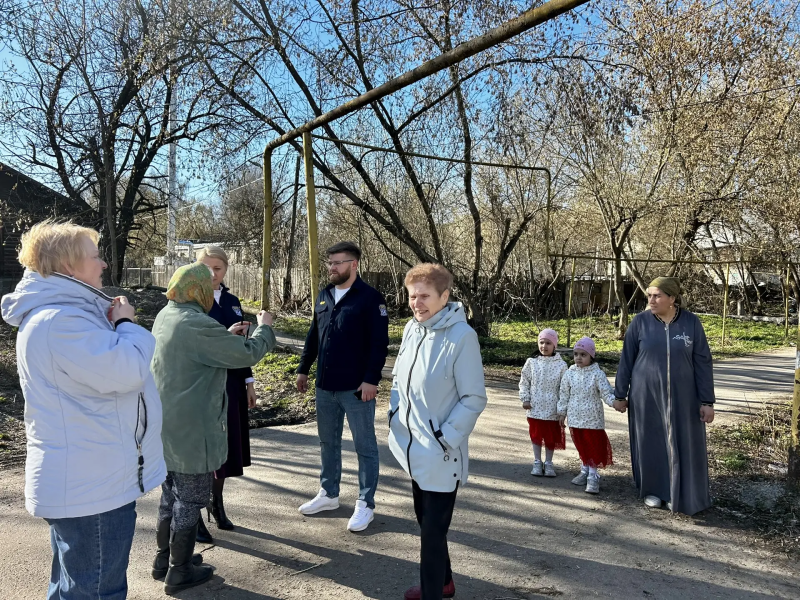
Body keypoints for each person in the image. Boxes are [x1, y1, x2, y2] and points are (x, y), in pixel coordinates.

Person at [0, 220, 167, 600]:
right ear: (68, 265)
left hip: (88, 479)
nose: (104, 263)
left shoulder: (65, 316)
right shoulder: (60, 322)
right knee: (96, 591)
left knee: (73, 588)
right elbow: (128, 370)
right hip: (91, 487)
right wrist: (127, 324)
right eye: (95, 256)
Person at [151, 262, 276, 595]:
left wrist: (223, 336)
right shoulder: (197, 324)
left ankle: (164, 560)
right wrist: (264, 328)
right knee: (191, 498)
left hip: (165, 425)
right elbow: (247, 353)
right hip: (192, 428)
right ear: (198, 290)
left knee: (170, 494)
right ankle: (179, 571)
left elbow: (198, 350)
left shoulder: (166, 315)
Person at [388, 263, 487, 600]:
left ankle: (433, 592)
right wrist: (395, 415)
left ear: (444, 297)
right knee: (425, 521)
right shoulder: (411, 329)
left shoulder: (462, 337)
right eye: (412, 296)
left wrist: (446, 437)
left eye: (425, 296)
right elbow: (399, 381)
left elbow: (474, 398)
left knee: (431, 533)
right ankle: (445, 582)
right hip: (414, 448)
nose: (417, 303)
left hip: (443, 453)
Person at [296, 241, 389, 533]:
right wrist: (303, 369)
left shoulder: (370, 298)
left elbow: (379, 344)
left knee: (365, 447)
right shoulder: (324, 295)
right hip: (325, 386)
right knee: (328, 442)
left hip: (357, 389)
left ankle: (365, 503)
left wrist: (371, 379)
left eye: (338, 263)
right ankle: (329, 494)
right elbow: (314, 334)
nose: (332, 268)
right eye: (330, 263)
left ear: (354, 264)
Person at [613, 277, 715, 515]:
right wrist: (620, 394)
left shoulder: (691, 323)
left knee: (684, 443)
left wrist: (707, 401)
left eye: (657, 296)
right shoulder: (640, 323)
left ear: (672, 298)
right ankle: (654, 490)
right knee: (650, 441)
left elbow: (703, 363)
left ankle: (679, 492)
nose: (651, 300)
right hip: (645, 395)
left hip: (684, 397)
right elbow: (626, 360)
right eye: (649, 295)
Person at [194, 246, 257, 543]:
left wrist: (249, 381)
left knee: (226, 448)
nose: (212, 274)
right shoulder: (192, 301)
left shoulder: (232, 302)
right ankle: (193, 512)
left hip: (231, 381)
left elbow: (240, 348)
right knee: (203, 449)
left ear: (226, 269)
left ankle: (216, 502)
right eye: (206, 268)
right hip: (203, 384)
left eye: (217, 268)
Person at [557, 337, 620, 495]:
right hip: (575, 417)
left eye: (583, 354)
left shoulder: (597, 374)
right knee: (581, 444)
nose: (578, 357)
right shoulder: (570, 374)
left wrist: (615, 403)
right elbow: (564, 394)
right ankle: (585, 470)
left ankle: (593, 476)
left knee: (592, 446)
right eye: (576, 354)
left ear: (591, 356)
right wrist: (562, 412)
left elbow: (606, 393)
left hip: (592, 418)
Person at [518, 328, 568, 477]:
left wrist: (562, 410)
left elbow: (564, 389)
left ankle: (549, 462)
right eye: (541, 342)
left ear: (554, 346)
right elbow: (524, 382)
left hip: (552, 409)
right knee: (536, 435)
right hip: (535, 408)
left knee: (550, 437)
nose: (544, 346)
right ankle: (537, 462)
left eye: (548, 343)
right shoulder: (531, 363)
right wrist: (525, 398)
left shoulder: (561, 365)